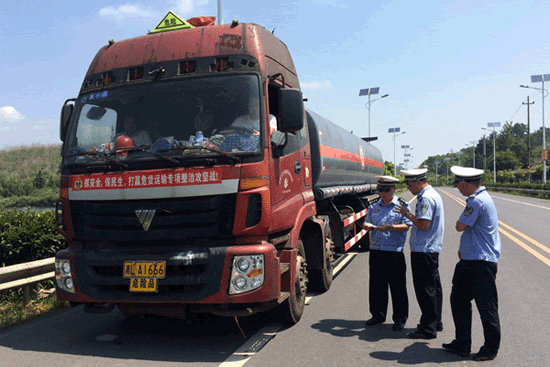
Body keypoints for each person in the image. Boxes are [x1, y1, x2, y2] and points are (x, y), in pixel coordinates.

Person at [443, 166, 501, 361]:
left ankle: (490, 348)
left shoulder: (476, 202)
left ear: (465, 184)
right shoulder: (480, 199)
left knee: (486, 307)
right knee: (458, 300)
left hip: (480, 263)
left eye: (459, 186)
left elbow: (460, 226)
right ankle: (462, 343)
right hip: (470, 261)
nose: (458, 189)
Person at [396, 168, 444, 340]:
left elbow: (423, 225)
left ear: (418, 181)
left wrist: (407, 213)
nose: (409, 188)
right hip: (430, 249)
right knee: (434, 288)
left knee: (425, 290)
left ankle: (427, 327)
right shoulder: (433, 194)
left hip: (423, 250)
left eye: (409, 184)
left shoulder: (425, 199)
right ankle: (436, 321)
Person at [362, 176, 413, 331]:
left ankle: (400, 318)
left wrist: (390, 227)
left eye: (386, 190)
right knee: (377, 286)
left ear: (393, 189)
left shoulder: (401, 205)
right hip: (377, 250)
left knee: (398, 287)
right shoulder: (373, 206)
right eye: (380, 190)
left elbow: (407, 225)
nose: (382, 193)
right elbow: (366, 221)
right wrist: (367, 226)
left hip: (394, 252)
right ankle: (378, 315)